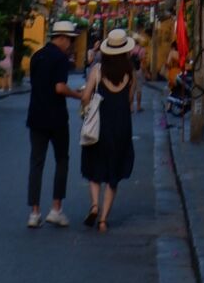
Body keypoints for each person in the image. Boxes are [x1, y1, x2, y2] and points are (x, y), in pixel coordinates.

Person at [25, 19, 83, 228]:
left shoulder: (36, 56)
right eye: (70, 40)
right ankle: (56, 209)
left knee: (36, 163)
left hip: (36, 116)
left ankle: (34, 212)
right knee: (61, 160)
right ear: (64, 38)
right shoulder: (60, 58)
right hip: (56, 118)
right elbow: (59, 88)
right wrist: (78, 95)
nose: (71, 45)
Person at [79, 27, 138, 231]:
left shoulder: (97, 70)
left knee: (95, 168)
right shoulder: (130, 73)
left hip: (100, 126)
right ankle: (103, 219)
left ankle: (94, 205)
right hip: (121, 126)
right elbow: (129, 99)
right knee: (114, 173)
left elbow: (86, 97)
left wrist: (84, 109)